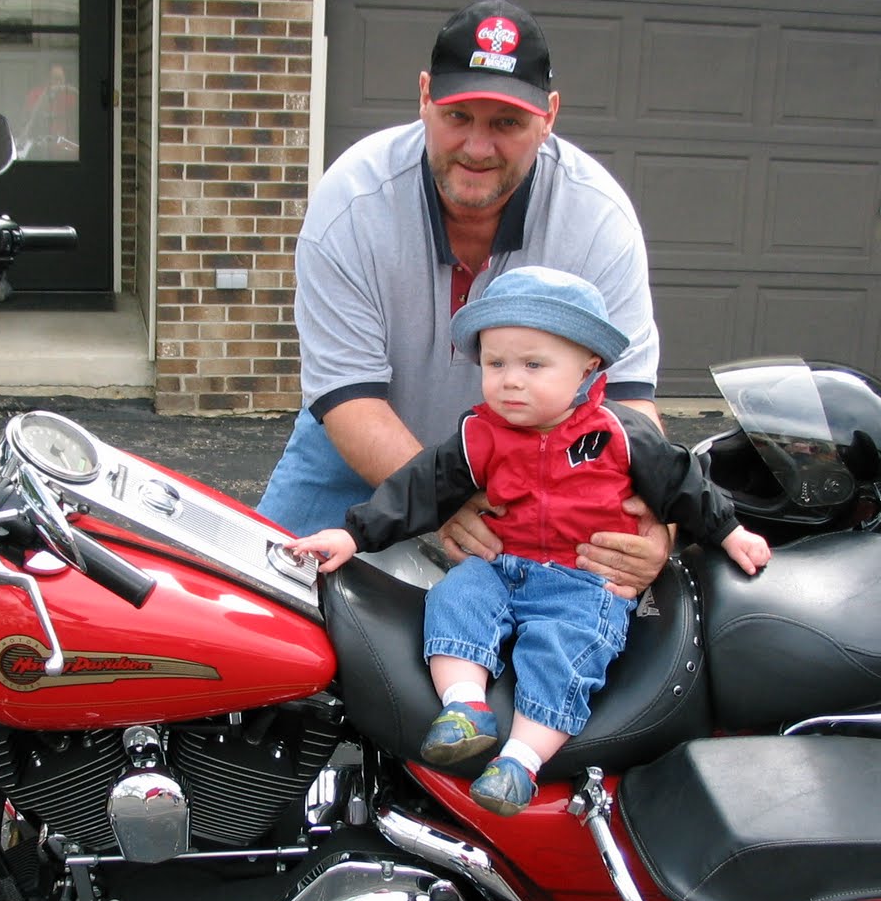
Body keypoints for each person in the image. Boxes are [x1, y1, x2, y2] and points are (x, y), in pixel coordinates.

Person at [286, 267, 771, 816]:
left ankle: (521, 760)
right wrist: (354, 533)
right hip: (503, 565)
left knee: (565, 649)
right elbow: (419, 488)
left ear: (588, 366)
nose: (510, 381)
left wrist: (729, 531)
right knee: (455, 597)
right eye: (496, 364)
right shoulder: (479, 434)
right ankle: (464, 707)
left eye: (533, 365)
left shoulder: (617, 434)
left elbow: (683, 484)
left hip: (583, 581)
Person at [259, 0, 670, 596]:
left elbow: (628, 401)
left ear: (549, 117)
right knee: (264, 599)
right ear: (425, 97)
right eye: (458, 116)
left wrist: (657, 522)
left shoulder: (596, 218)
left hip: (535, 472)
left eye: (507, 123)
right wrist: (443, 498)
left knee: (552, 631)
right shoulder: (352, 202)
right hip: (355, 451)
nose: (478, 148)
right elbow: (348, 396)